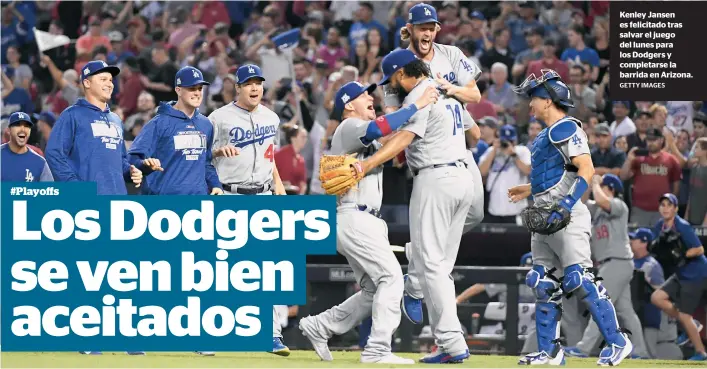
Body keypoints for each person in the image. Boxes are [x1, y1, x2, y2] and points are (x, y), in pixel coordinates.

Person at [331, 48, 473, 363]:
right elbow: (473, 132)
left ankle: (448, 338)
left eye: (390, 81)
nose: (388, 88)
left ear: (400, 74)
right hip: (463, 177)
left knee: (431, 264)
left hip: (435, 179)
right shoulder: (444, 90)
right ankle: (428, 302)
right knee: (440, 266)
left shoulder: (418, 97)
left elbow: (402, 139)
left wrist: (366, 166)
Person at [298, 81, 438, 364]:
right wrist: (418, 105)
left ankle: (321, 325)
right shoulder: (349, 127)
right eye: (363, 95)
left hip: (359, 219)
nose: (369, 98)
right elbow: (379, 129)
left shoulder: (360, 135)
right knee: (391, 279)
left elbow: (390, 144)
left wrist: (407, 116)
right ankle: (377, 348)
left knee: (374, 288)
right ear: (349, 104)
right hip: (355, 216)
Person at [508, 69, 632, 366]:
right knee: (541, 281)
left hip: (567, 214)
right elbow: (559, 174)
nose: (531, 105)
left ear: (548, 101)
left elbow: (586, 170)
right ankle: (550, 351)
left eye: (534, 99)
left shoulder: (566, 128)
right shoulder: (544, 135)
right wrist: (528, 189)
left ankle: (617, 341)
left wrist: (564, 206)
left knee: (580, 278)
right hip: (543, 214)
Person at [383, 3, 485, 332]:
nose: (427, 32)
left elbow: (475, 94)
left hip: (456, 136)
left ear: (437, 29)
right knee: (439, 253)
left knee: (476, 213)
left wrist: (449, 88)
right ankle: (414, 287)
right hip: (429, 145)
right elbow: (391, 113)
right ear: (409, 29)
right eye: (421, 27)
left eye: (432, 27)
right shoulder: (398, 65)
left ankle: (419, 251)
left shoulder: (451, 54)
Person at [207, 64, 288, 356]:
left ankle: (271, 334)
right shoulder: (217, 118)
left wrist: (279, 189)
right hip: (230, 196)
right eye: (248, 83)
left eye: (258, 83)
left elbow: (270, 156)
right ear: (237, 88)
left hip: (264, 195)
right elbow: (203, 156)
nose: (255, 88)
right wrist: (217, 151)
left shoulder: (272, 117)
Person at [564, 174, 649, 358]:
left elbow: (604, 201)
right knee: (626, 311)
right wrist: (587, 183)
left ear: (610, 188)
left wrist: (596, 183)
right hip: (612, 264)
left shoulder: (619, 205)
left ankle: (584, 348)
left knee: (599, 303)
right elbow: (581, 204)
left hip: (617, 261)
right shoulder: (597, 210)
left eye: (603, 186)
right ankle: (641, 352)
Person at [45, 60, 142, 195]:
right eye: (103, 79)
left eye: (110, 80)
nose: (109, 84)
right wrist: (74, 186)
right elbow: (54, 154)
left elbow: (121, 160)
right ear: (87, 83)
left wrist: (131, 171)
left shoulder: (116, 120)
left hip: (117, 198)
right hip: (86, 201)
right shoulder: (72, 115)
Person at [127, 66, 222, 195]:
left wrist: (215, 185)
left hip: (198, 202)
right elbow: (133, 158)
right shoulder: (158, 123)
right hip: (164, 204)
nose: (197, 93)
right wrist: (144, 165)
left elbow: (205, 162)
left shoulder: (206, 124)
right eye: (192, 88)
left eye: (200, 88)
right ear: (178, 90)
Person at [649, 193, 707, 361]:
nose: (665, 208)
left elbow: (699, 249)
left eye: (669, 205)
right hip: (681, 273)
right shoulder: (660, 225)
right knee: (657, 298)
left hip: (696, 274)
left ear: (675, 208)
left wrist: (683, 254)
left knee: (684, 314)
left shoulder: (682, 225)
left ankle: (701, 352)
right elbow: (655, 245)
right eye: (662, 205)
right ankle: (692, 326)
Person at [630, 228, 683, 360]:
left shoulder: (652, 265)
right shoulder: (629, 261)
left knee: (648, 354)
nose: (631, 242)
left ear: (644, 242)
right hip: (633, 314)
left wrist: (647, 282)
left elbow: (662, 292)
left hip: (649, 315)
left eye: (634, 239)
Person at [1, 112, 53, 182]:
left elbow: (48, 190)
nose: (22, 129)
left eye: (26, 126)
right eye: (17, 125)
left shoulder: (40, 162)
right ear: (9, 130)